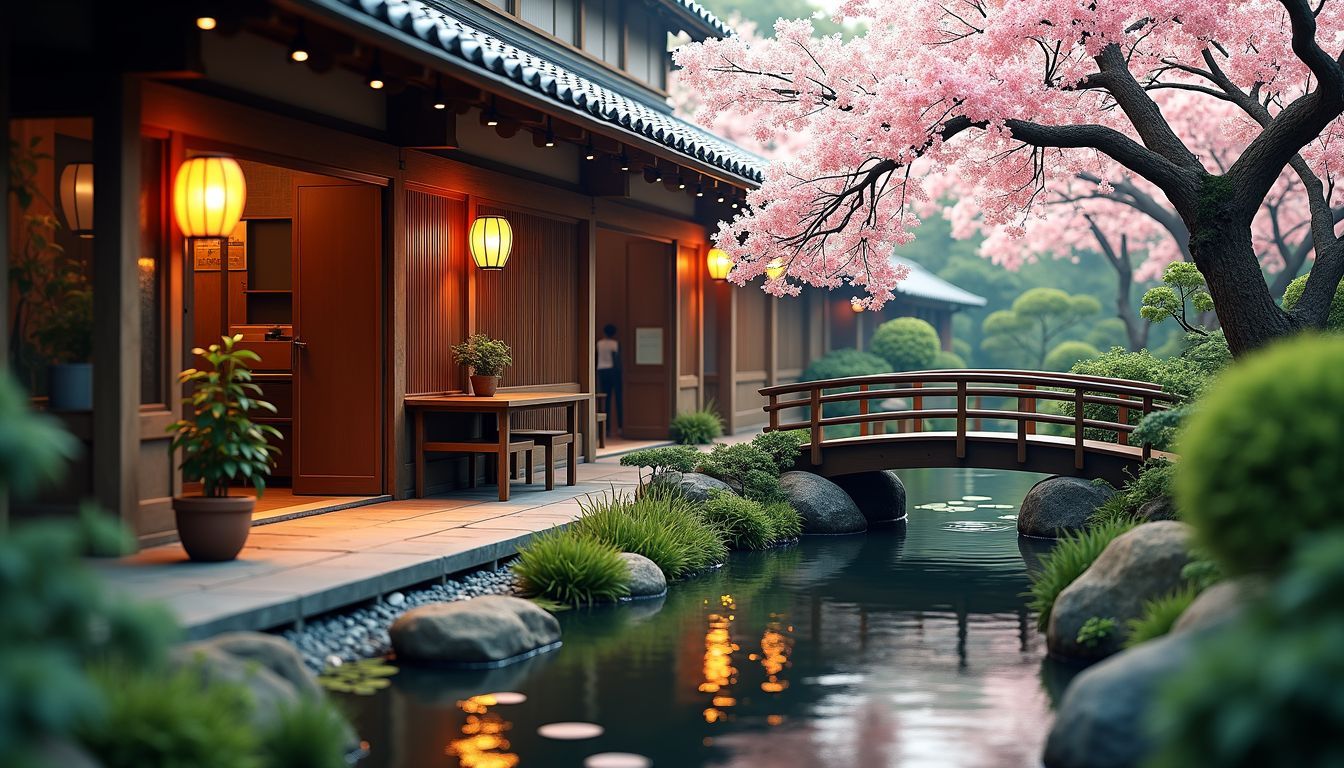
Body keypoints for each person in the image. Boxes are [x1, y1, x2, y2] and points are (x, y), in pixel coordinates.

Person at [596, 324, 622, 437]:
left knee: (605, 400)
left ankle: (606, 429)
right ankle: (620, 427)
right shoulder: (614, 344)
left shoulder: (599, 343)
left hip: (601, 371)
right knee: (617, 398)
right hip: (613, 372)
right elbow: (616, 359)